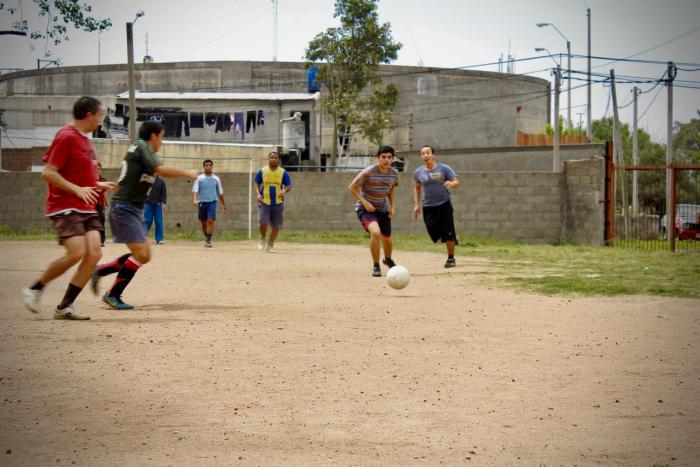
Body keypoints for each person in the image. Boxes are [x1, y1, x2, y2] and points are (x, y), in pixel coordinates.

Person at [21, 96, 117, 320]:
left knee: (94, 253)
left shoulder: (84, 140)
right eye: (100, 115)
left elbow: (78, 174)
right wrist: (77, 190)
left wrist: (98, 184)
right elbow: (48, 172)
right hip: (65, 205)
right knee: (77, 252)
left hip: (85, 204)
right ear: (89, 115)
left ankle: (65, 306)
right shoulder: (65, 137)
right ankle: (34, 289)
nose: (101, 119)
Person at [92, 121, 197, 310]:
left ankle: (101, 271)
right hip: (124, 209)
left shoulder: (140, 150)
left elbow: (135, 176)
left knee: (143, 254)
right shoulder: (142, 146)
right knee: (141, 254)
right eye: (162, 137)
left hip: (130, 209)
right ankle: (112, 294)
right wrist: (187, 172)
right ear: (154, 136)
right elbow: (161, 170)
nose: (162, 142)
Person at [349, 145, 400, 277]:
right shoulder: (368, 172)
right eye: (383, 157)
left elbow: (391, 188)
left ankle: (387, 259)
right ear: (378, 158)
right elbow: (352, 187)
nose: (386, 159)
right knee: (376, 232)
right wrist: (365, 203)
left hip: (382, 209)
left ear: (393, 159)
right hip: (365, 209)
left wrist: (393, 206)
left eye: (389, 157)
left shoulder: (394, 174)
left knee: (387, 239)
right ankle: (376, 265)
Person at [413, 145, 460, 268]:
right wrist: (416, 205)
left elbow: (456, 182)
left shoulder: (444, 168)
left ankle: (451, 258)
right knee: (433, 232)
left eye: (428, 153)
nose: (425, 155)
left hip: (444, 204)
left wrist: (451, 183)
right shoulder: (419, 172)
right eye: (423, 153)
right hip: (428, 206)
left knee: (448, 232)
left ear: (434, 155)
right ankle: (450, 237)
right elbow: (417, 188)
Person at [255, 151, 292, 253]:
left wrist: (284, 190)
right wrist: (258, 194)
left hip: (278, 203)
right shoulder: (262, 171)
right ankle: (262, 238)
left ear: (278, 159)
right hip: (264, 202)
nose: (273, 159)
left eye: (275, 158)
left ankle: (270, 245)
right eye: (272, 157)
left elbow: (289, 185)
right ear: (269, 159)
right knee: (263, 223)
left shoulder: (283, 172)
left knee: (276, 226)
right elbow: (257, 183)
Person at [192, 159, 227, 248]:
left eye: (209, 165)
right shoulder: (199, 178)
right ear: (203, 167)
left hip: (212, 202)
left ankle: (208, 240)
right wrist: (195, 199)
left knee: (210, 220)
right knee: (203, 223)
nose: (208, 167)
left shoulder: (216, 179)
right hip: (202, 203)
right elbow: (195, 190)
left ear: (212, 166)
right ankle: (207, 238)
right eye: (206, 165)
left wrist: (223, 204)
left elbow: (220, 193)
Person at [143, 174, 167, 244]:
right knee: (147, 220)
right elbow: (143, 192)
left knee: (158, 221)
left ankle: (159, 239)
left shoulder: (161, 181)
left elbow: (164, 193)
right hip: (148, 204)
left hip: (158, 204)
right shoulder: (147, 181)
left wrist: (164, 202)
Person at [96, 162, 110, 247]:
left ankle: (101, 240)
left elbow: (105, 194)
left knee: (101, 221)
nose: (97, 170)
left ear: (100, 170)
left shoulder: (103, 180)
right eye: (95, 168)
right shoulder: (89, 179)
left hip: (100, 205)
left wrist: (107, 205)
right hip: (90, 206)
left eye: (98, 168)